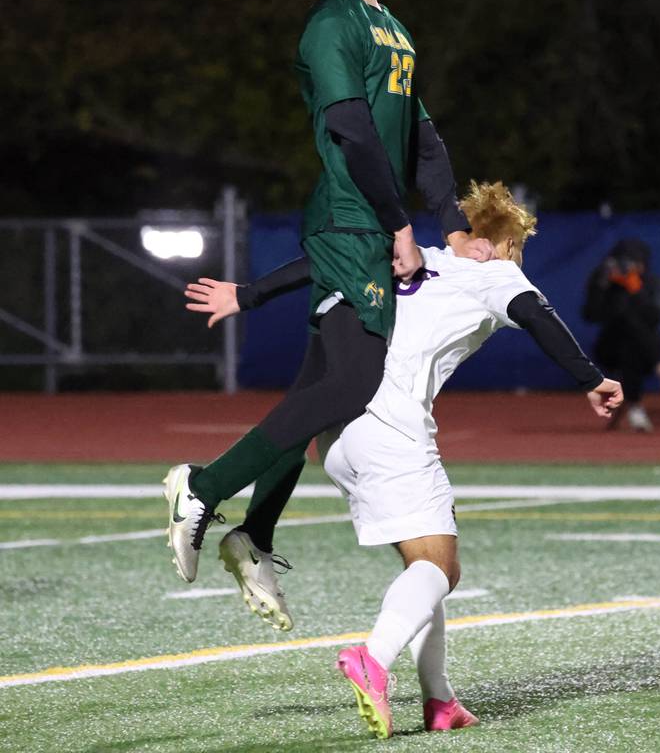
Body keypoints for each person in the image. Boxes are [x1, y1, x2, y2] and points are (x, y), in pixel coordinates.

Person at [188, 182, 623, 737]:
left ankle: (440, 700)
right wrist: (591, 378)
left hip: (339, 426)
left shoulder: (417, 255)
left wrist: (249, 295)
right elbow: (534, 313)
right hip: (391, 427)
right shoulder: (496, 271)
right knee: (441, 569)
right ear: (506, 243)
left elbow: (324, 262)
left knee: (425, 562)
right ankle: (372, 659)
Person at [163, 0, 493, 607]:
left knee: (319, 390)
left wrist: (453, 223)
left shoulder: (392, 27)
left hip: (369, 224)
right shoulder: (330, 25)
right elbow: (350, 129)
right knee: (351, 384)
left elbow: (422, 138)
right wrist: (401, 224)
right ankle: (203, 487)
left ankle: (256, 532)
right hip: (350, 220)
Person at [581, 238, 660, 432]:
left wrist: (635, 288)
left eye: (632, 262)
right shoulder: (604, 281)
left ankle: (635, 407)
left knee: (631, 347)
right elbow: (590, 315)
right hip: (610, 348)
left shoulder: (651, 283)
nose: (627, 267)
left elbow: (654, 318)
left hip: (643, 351)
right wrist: (601, 286)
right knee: (625, 329)